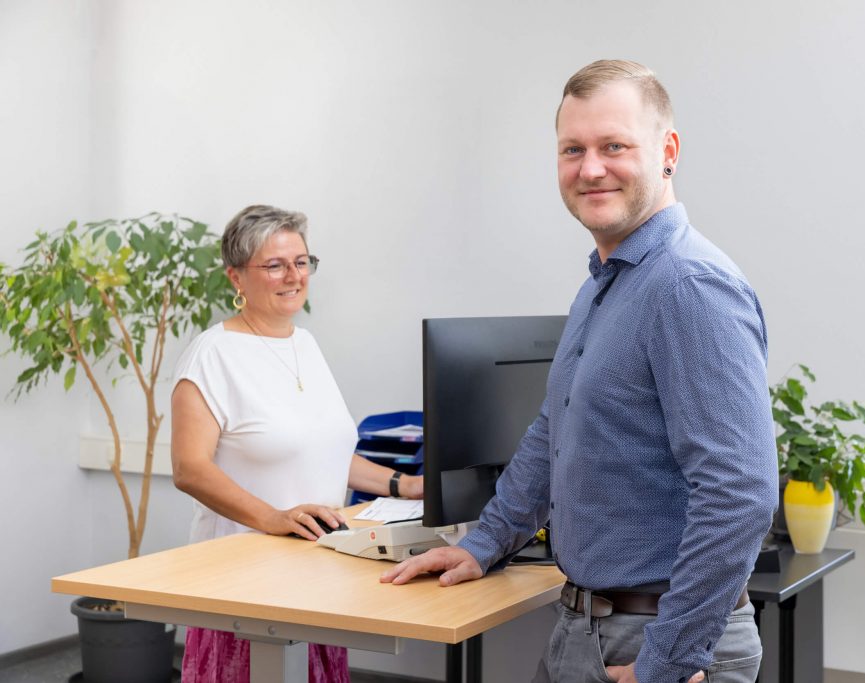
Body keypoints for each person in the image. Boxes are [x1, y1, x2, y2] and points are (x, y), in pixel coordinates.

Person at [381, 60, 777, 683]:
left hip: (660, 640)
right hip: (590, 627)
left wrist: (666, 664)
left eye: (614, 146)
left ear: (667, 151)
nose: (590, 168)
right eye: (573, 149)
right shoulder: (606, 285)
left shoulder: (689, 286)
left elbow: (739, 493)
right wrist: (484, 542)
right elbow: (552, 433)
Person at [171, 205, 423, 683]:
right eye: (275, 265)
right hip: (243, 584)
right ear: (236, 277)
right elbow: (189, 467)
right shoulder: (212, 354)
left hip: (318, 569)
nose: (294, 275)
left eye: (302, 261)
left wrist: (403, 485)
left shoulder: (304, 344)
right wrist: (273, 518)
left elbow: (323, 451)